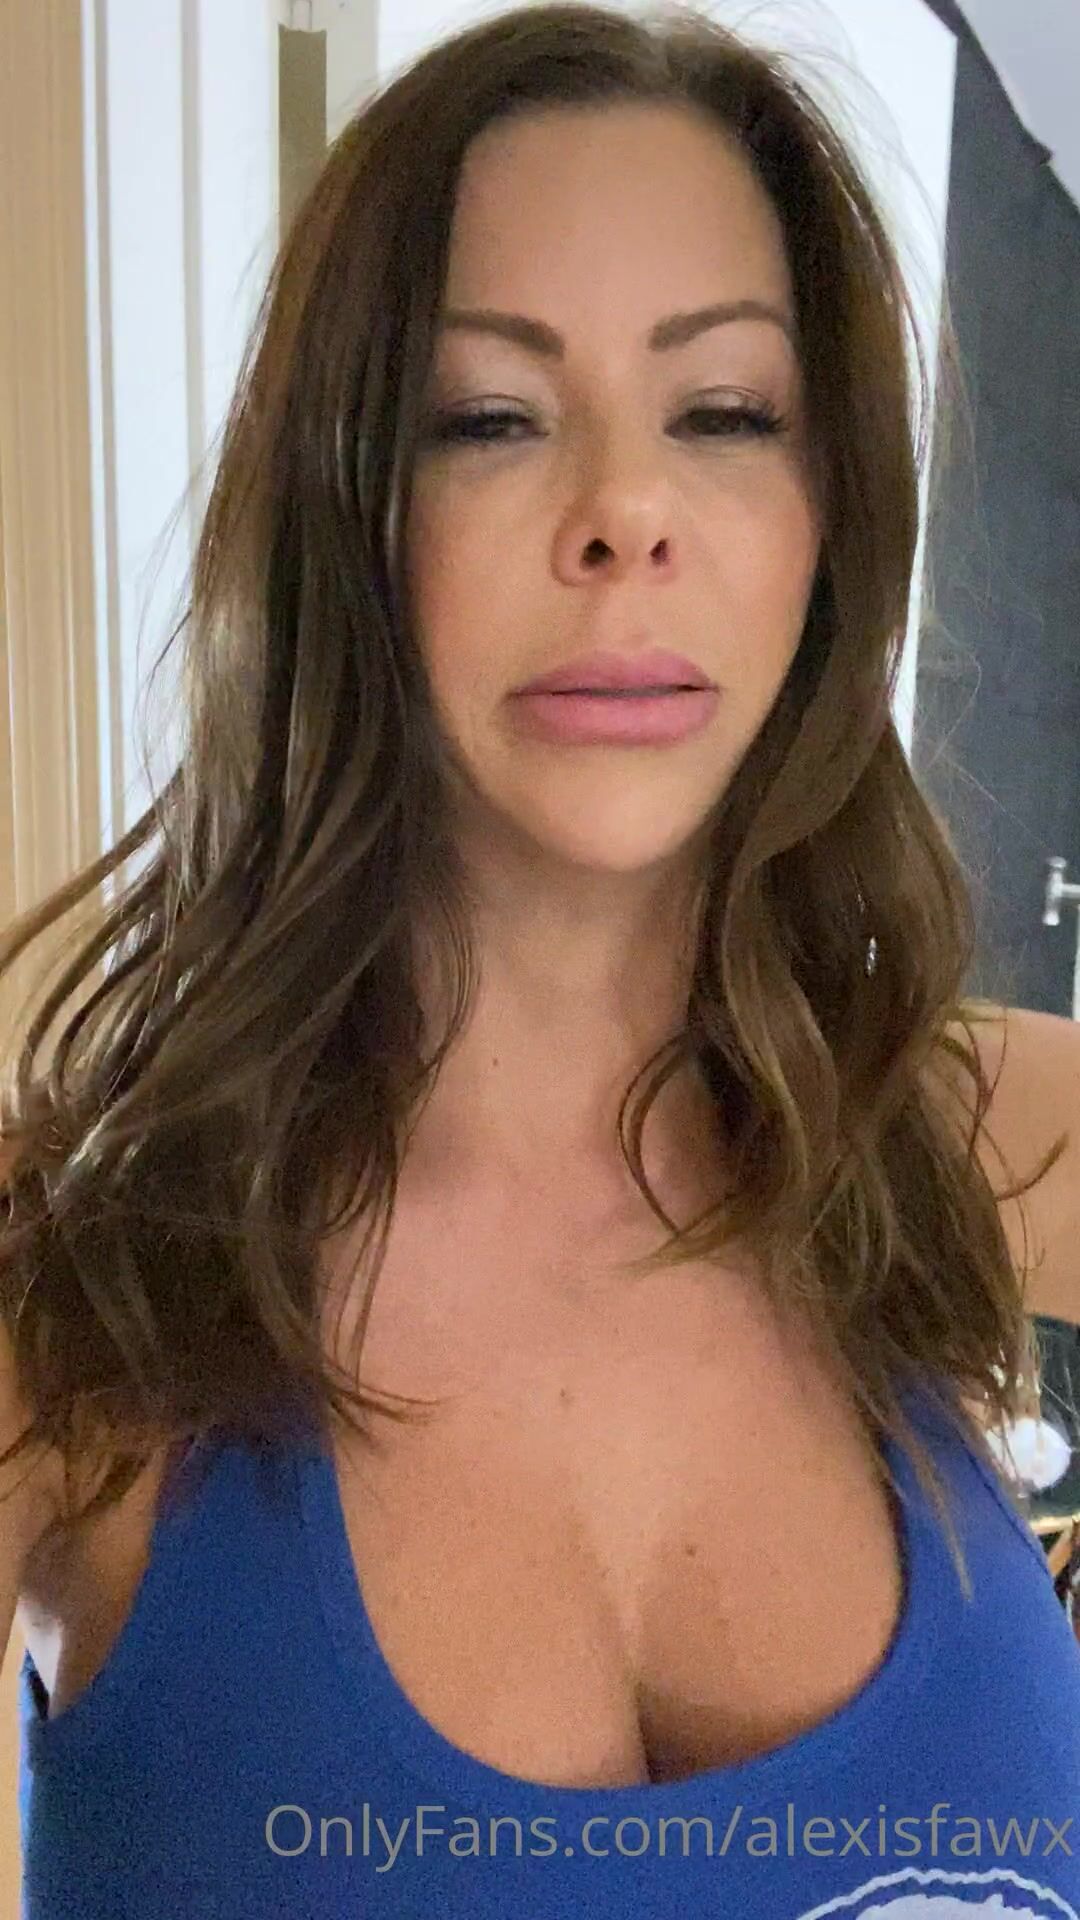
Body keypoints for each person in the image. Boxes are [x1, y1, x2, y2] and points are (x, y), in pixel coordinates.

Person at [1, 4, 1078, 1914]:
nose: (626, 515)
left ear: (827, 523)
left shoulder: (1001, 1141)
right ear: (345, 514)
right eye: (488, 419)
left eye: (725, 414)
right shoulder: (71, 1309)